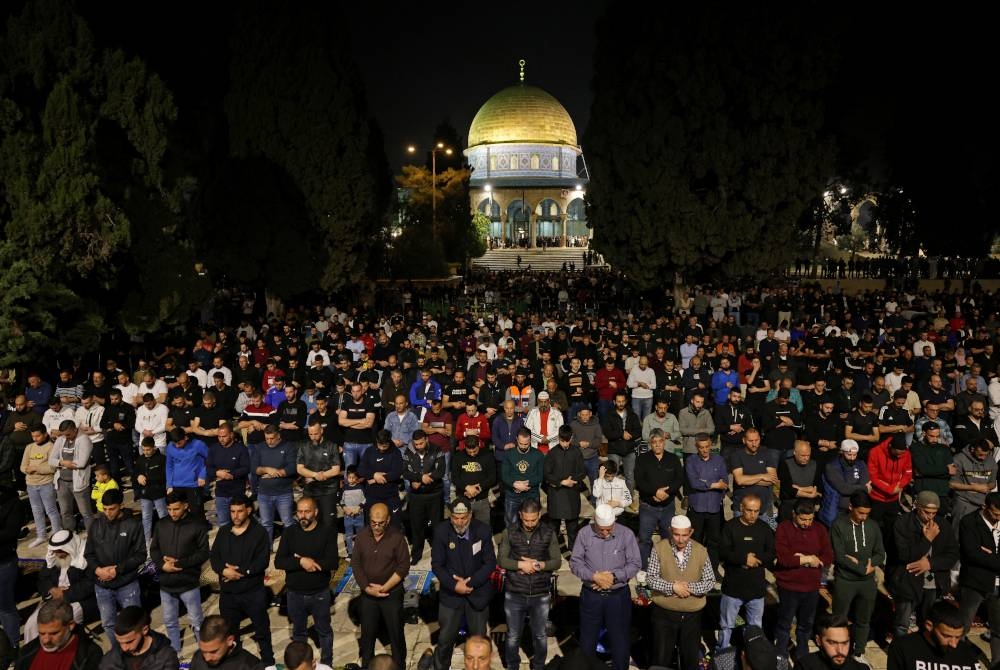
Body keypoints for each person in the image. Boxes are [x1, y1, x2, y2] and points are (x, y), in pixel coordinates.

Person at [423, 500, 495, 670]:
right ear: (450, 516)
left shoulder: (483, 530)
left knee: (478, 643)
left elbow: (490, 562)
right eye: (455, 518)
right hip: (451, 595)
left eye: (463, 518)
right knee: (445, 641)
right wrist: (454, 585)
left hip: (476, 594)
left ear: (470, 515)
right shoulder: (441, 531)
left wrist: (471, 582)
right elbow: (437, 565)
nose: (459, 522)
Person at [570, 504, 642, 670]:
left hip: (617, 597)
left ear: (614, 522)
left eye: (608, 530)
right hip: (591, 596)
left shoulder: (626, 534)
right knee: (587, 640)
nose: (605, 533)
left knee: (620, 640)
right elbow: (575, 563)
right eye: (601, 530)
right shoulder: (584, 534)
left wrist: (612, 577)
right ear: (595, 522)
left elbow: (635, 563)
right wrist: (594, 576)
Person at [209, 495, 274, 669]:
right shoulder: (223, 531)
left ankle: (268, 662)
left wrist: (240, 572)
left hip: (253, 593)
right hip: (228, 594)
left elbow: (262, 561)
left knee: (262, 630)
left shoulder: (259, 532)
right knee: (230, 633)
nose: (235, 515)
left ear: (249, 510)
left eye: (239, 511)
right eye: (232, 512)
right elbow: (214, 557)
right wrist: (224, 570)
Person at [643, 514, 715, 670]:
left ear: (691, 532)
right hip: (664, 613)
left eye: (684, 535)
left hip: (691, 616)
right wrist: (672, 587)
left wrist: (688, 588)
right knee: (661, 659)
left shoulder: (701, 551)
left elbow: (710, 581)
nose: (680, 539)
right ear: (670, 531)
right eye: (676, 534)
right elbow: (651, 578)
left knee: (690, 660)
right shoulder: (660, 548)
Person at [497, 497, 561, 670]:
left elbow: (557, 562)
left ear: (539, 515)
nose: (530, 523)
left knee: (540, 635)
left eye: (533, 520)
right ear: (520, 515)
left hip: (540, 593)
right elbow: (501, 559)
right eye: (526, 519)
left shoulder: (548, 532)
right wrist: (520, 565)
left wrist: (538, 565)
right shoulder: (509, 532)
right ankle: (512, 665)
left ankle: (539, 665)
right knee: (512, 635)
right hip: (515, 592)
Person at [275, 496, 339, 667]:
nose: (302, 515)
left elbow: (333, 561)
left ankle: (327, 663)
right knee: (299, 633)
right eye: (299, 512)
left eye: (307, 511)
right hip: (295, 593)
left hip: (319, 593)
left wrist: (313, 563)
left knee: (324, 631)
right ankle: (301, 664)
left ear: (315, 512)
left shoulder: (327, 532)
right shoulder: (289, 532)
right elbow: (279, 561)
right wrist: (300, 561)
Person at [887, 491, 957, 641]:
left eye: (934, 512)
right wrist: (927, 539)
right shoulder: (902, 524)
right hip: (908, 582)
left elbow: (952, 555)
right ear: (918, 507)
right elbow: (903, 555)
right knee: (902, 623)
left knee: (927, 622)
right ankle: (901, 652)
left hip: (933, 583)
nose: (930, 516)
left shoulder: (943, 524)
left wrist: (930, 563)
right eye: (927, 512)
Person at [84, 489, 145, 652]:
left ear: (122, 506)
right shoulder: (96, 525)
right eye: (105, 509)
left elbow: (141, 555)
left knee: (134, 623)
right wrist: (98, 570)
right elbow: (88, 554)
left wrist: (117, 570)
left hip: (127, 584)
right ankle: (120, 650)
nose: (108, 512)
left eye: (112, 509)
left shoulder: (133, 525)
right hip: (102, 585)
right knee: (108, 623)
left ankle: (137, 651)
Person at [150, 490, 210, 655]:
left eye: (176, 509)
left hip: (188, 583)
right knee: (170, 621)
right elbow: (154, 550)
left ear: (186, 506)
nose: (172, 513)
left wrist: (179, 563)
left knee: (197, 621)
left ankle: (203, 652)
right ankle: (175, 651)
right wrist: (163, 565)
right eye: (169, 509)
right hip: (166, 584)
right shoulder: (161, 524)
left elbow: (204, 552)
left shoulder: (197, 525)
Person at [351, 502, 409, 670]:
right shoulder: (361, 537)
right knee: (367, 636)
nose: (376, 526)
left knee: (396, 634)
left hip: (391, 594)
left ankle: (399, 666)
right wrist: (367, 588)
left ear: (388, 520)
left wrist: (384, 588)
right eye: (373, 522)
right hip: (368, 595)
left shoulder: (397, 538)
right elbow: (356, 564)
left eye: (380, 523)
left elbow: (403, 566)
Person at [773, 500, 833, 662]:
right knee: (785, 622)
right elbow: (783, 559)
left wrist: (814, 560)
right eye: (803, 519)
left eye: (810, 519)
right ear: (794, 514)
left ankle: (802, 651)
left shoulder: (820, 529)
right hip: (788, 586)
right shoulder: (783, 529)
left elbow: (828, 555)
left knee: (806, 624)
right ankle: (781, 652)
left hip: (811, 587)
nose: (807, 523)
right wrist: (806, 559)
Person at [830, 491, 885, 660]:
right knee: (839, 620)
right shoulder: (838, 525)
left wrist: (870, 566)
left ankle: (858, 652)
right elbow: (839, 557)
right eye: (860, 513)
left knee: (864, 619)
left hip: (867, 583)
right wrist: (864, 568)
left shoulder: (873, 526)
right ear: (850, 507)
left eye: (867, 514)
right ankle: (836, 650)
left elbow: (880, 553)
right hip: (845, 582)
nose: (863, 517)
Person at [717, 493, 775, 652]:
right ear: (742, 508)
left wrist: (756, 560)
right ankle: (721, 654)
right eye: (749, 510)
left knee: (755, 627)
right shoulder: (730, 526)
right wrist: (743, 559)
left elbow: (771, 553)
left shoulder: (764, 528)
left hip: (756, 588)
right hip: (733, 587)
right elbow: (723, 552)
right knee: (726, 626)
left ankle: (753, 655)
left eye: (756, 511)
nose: (753, 514)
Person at [23, 530, 98, 643]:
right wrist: (52, 589)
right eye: (55, 551)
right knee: (31, 624)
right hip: (54, 599)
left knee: (57, 624)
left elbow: (90, 584)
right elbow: (42, 579)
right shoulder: (53, 558)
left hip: (78, 601)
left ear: (69, 547)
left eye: (60, 550)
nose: (57, 554)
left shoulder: (85, 558)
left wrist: (65, 594)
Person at [957, 491, 1000, 662]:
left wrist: (989, 556)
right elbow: (972, 554)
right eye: (995, 514)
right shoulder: (969, 522)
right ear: (985, 507)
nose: (998, 517)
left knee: (998, 630)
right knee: (962, 626)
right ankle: (958, 660)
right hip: (975, 584)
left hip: (998, 586)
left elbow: (982, 556)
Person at [886, 600, 987, 670]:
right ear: (929, 626)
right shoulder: (903, 647)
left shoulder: (968, 653)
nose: (954, 644)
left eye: (958, 637)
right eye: (946, 636)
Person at [635, 428, 685, 568]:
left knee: (668, 539)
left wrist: (666, 493)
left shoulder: (673, 458)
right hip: (648, 507)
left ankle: (667, 566)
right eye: (654, 442)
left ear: (664, 442)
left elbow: (679, 479)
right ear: (650, 443)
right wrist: (655, 493)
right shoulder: (642, 459)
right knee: (644, 539)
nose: (657, 445)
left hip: (667, 507)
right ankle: (643, 569)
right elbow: (639, 481)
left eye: (660, 441)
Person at [13, 600, 102, 670]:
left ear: (71, 625)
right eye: (42, 633)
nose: (46, 640)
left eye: (54, 633)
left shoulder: (90, 656)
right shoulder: (26, 653)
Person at [402, 429, 445, 564]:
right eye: (416, 444)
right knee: (416, 526)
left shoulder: (437, 450)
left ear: (426, 439)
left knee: (437, 527)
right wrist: (421, 477)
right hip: (417, 496)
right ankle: (416, 554)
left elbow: (440, 471)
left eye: (421, 443)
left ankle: (439, 554)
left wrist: (425, 478)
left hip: (435, 494)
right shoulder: (409, 451)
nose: (419, 446)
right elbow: (405, 471)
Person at [251, 424, 297, 545]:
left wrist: (276, 473)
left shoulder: (289, 447)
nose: (269, 441)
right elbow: (253, 468)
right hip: (264, 493)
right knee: (266, 523)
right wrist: (267, 469)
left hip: (284, 493)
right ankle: (267, 548)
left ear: (278, 435)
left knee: (288, 522)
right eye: (267, 438)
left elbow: (292, 467)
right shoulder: (260, 447)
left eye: (272, 438)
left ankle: (291, 547)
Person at [544, 425, 586, 550]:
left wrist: (572, 480)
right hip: (556, 494)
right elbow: (547, 474)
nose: (565, 444)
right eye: (562, 441)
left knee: (572, 529)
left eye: (567, 441)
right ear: (558, 438)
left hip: (571, 494)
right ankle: (554, 552)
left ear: (571, 438)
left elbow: (582, 472)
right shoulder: (552, 453)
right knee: (553, 528)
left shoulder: (576, 452)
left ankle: (574, 554)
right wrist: (561, 482)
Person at [98, 606, 178, 670]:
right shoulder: (112, 657)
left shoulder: (166, 657)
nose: (124, 648)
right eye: (120, 642)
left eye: (129, 642)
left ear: (145, 630)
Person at [295, 422, 342, 531]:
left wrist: (320, 476)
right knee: (311, 521)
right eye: (310, 434)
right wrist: (315, 475)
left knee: (328, 522)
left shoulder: (332, 446)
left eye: (315, 434)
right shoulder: (303, 446)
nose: (313, 437)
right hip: (310, 490)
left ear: (321, 430)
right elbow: (299, 469)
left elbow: (336, 470)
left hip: (328, 490)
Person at [50, 419, 94, 533]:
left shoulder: (84, 440)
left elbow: (82, 462)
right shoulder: (61, 439)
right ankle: (69, 536)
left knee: (85, 512)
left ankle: (92, 537)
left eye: (68, 434)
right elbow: (51, 460)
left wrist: (60, 462)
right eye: (64, 435)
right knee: (65, 512)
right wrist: (64, 463)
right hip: (62, 481)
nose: (66, 437)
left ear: (75, 429)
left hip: (78, 482)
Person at [20, 427, 61, 548]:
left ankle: (58, 533)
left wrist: (36, 469)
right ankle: (41, 535)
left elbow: (52, 468)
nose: (35, 439)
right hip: (31, 484)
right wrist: (26, 470)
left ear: (45, 434)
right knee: (36, 511)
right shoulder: (29, 447)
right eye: (33, 436)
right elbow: (23, 466)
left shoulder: (50, 447)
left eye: (37, 436)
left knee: (51, 510)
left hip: (46, 483)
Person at [205, 422, 250, 528]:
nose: (221, 439)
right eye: (219, 436)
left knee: (240, 522)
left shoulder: (241, 449)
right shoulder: (213, 449)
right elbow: (208, 468)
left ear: (231, 435)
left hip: (237, 492)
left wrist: (230, 474)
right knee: (224, 524)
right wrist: (217, 473)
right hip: (221, 493)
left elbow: (246, 468)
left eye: (224, 436)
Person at [601, 391, 642, 506]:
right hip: (614, 449)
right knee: (611, 474)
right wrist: (621, 433)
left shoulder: (632, 415)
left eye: (623, 401)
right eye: (618, 401)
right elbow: (607, 433)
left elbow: (638, 431)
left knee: (630, 476)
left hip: (629, 450)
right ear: (614, 402)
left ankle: (629, 498)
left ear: (626, 401)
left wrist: (630, 435)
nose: (621, 403)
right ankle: (610, 498)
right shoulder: (609, 415)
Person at [818, 440, 870, 528]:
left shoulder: (861, 464)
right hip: (838, 509)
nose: (852, 458)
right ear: (842, 452)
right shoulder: (831, 466)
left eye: (855, 455)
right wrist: (863, 488)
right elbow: (843, 488)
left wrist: (858, 488)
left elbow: (865, 483)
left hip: (856, 508)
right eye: (849, 455)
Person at [358, 429, 405, 522]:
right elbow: (361, 469)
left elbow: (396, 473)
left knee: (393, 525)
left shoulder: (396, 452)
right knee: (371, 523)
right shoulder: (369, 451)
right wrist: (374, 474)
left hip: (390, 496)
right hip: (372, 495)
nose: (382, 448)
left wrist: (376, 479)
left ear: (389, 442)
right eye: (380, 445)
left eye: (385, 446)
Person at [500, 428, 544, 526]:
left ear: (530, 440)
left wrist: (524, 485)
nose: (523, 446)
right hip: (512, 495)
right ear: (516, 439)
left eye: (526, 444)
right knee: (511, 524)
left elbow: (540, 476)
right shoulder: (508, 454)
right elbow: (504, 475)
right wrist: (515, 484)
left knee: (532, 524)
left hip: (532, 495)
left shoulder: (538, 454)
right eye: (521, 444)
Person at [0, 486, 24, 652]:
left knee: (5, 606)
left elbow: (10, 532)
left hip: (4, 561)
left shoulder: (12, 503)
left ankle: (13, 647)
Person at [189, 615, 262, 670]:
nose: (207, 658)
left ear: (229, 640)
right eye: (203, 651)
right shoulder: (198, 657)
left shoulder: (250, 666)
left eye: (213, 652)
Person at [135, 437, 168, 547]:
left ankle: (166, 540)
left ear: (154, 447)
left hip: (158, 493)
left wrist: (148, 479)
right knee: (146, 518)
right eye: (143, 450)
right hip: (145, 494)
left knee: (163, 516)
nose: (146, 452)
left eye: (148, 449)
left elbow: (164, 477)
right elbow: (135, 473)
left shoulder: (162, 459)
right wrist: (138, 476)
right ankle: (147, 542)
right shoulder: (140, 459)